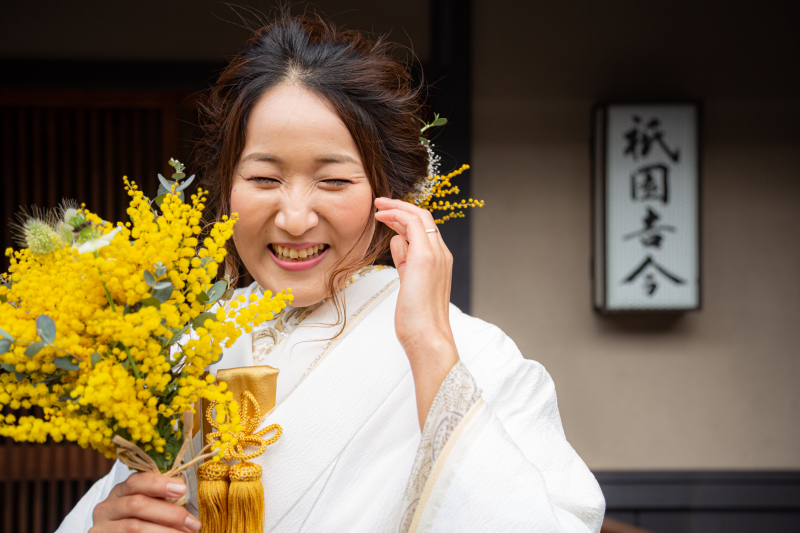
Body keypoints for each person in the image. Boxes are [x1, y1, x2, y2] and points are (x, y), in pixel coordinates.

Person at [57, 12, 605, 533]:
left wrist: (429, 347)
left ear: (389, 193)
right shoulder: (180, 350)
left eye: (334, 181)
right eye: (264, 179)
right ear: (226, 187)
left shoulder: (473, 355)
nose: (294, 218)